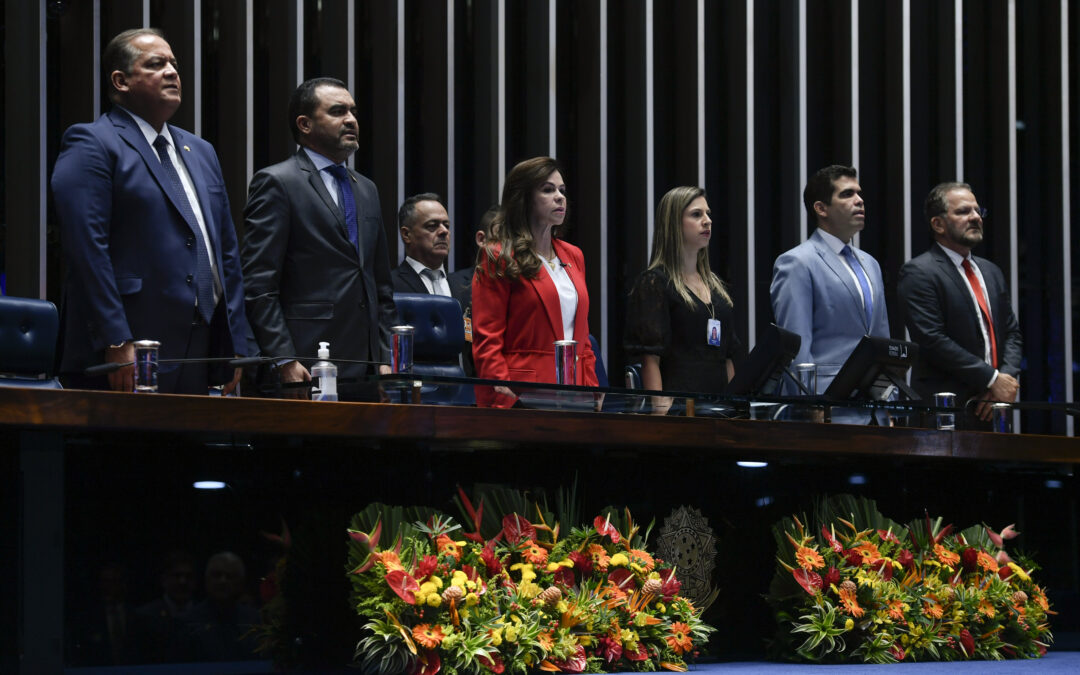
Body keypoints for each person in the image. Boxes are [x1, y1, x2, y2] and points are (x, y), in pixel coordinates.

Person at [51, 28, 249, 394]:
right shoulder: (93, 142)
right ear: (120, 80)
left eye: (174, 63)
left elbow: (226, 252)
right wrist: (115, 337)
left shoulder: (200, 150)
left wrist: (236, 343)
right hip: (130, 347)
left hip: (203, 347)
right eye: (156, 64)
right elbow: (86, 248)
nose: (173, 72)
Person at [242, 77, 396, 400]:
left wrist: (385, 357)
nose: (351, 119)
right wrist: (283, 357)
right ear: (305, 124)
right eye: (338, 111)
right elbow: (259, 285)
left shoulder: (367, 189)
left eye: (353, 111)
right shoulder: (277, 182)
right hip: (305, 361)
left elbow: (380, 286)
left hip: (365, 367)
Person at [471, 157, 598, 407]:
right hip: (524, 396)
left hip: (577, 393)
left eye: (562, 190)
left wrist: (593, 389)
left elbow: (582, 336)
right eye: (548, 190)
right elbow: (487, 341)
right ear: (524, 198)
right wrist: (504, 399)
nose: (560, 197)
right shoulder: (498, 255)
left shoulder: (574, 256)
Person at [898, 182, 1022, 427]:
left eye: (977, 211)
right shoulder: (919, 272)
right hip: (946, 410)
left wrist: (1004, 382)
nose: (975, 217)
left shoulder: (991, 271)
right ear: (938, 224)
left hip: (995, 407)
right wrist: (992, 379)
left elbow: (1012, 333)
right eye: (964, 212)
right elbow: (932, 339)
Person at [770, 165, 890, 408]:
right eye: (847, 194)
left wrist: (887, 401)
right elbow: (796, 349)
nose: (859, 201)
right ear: (821, 208)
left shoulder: (871, 264)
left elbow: (882, 339)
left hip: (872, 409)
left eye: (859, 193)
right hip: (824, 405)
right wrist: (810, 407)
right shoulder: (797, 262)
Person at [625, 187, 744, 414]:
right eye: (696, 214)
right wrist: (661, 412)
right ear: (673, 223)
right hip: (681, 409)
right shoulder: (655, 283)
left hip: (720, 408)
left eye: (708, 214)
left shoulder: (716, 286)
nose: (707, 221)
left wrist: (735, 408)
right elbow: (651, 358)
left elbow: (727, 357)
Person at [391, 193, 468, 309]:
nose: (444, 231)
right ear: (407, 234)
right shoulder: (390, 286)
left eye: (446, 225)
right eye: (432, 226)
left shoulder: (464, 286)